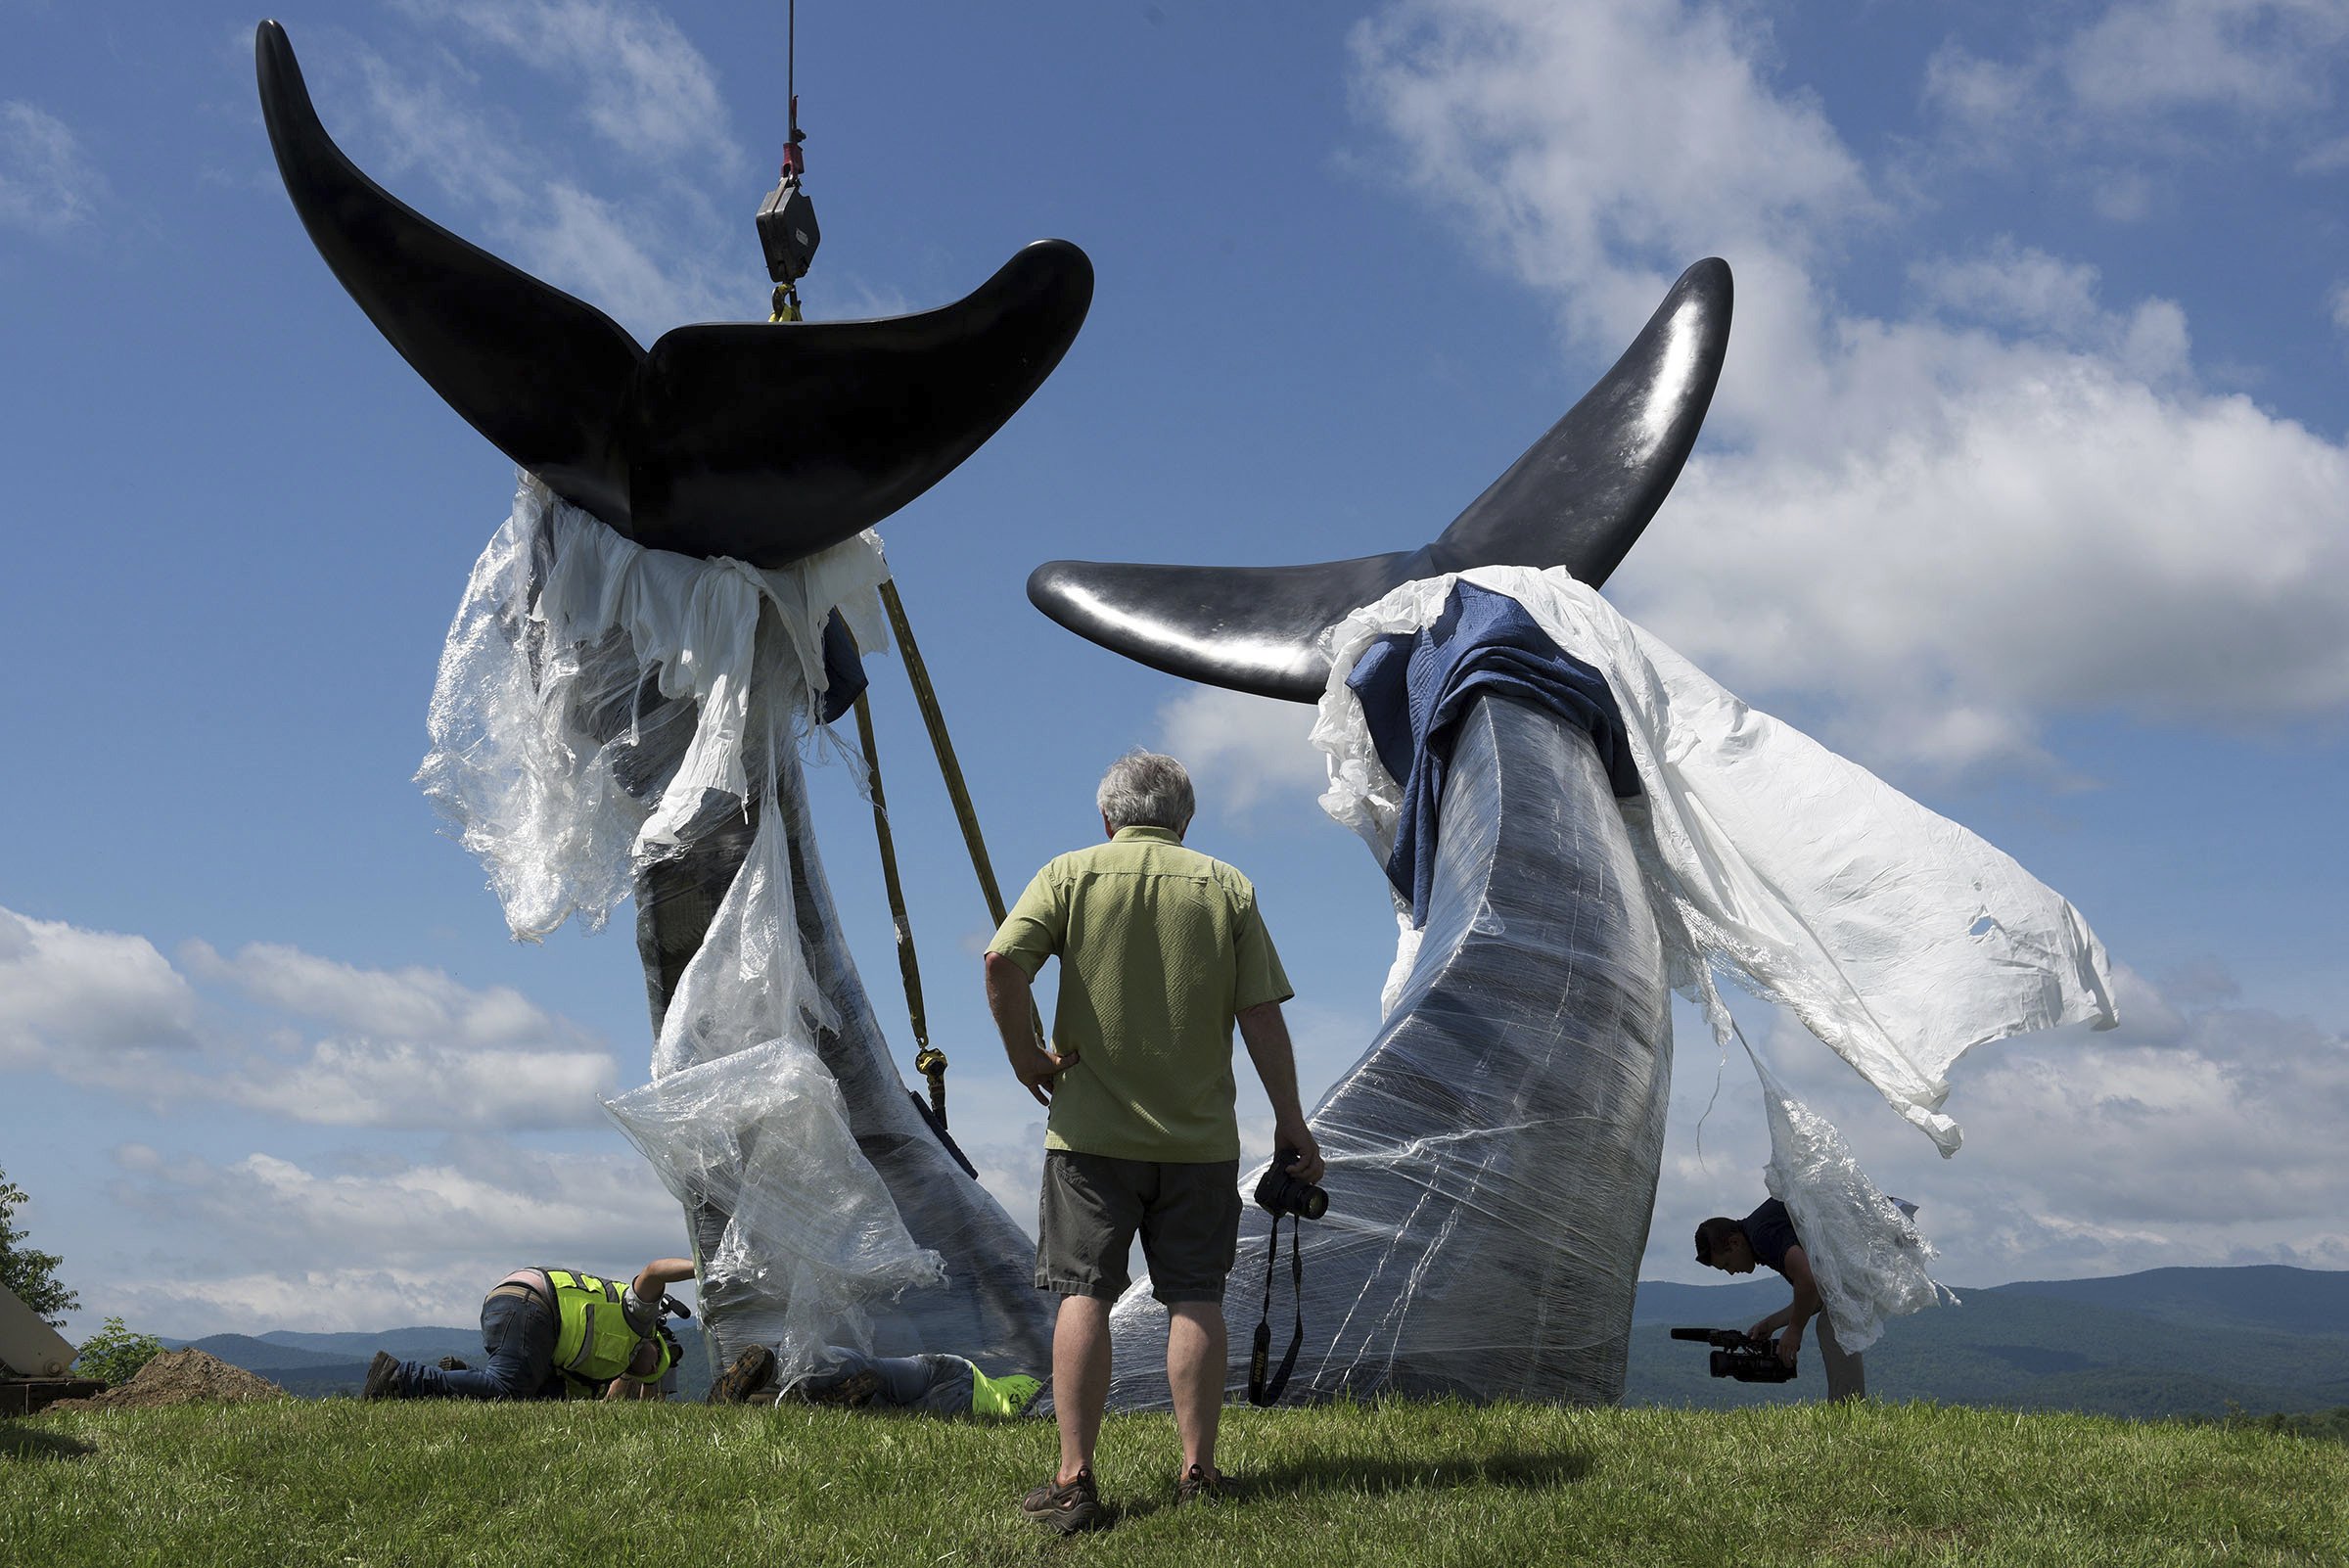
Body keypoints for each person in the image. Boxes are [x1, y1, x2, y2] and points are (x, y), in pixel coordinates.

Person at [985, 751, 1323, 1532]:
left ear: (1107, 819)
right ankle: (1198, 1472)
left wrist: (1027, 1058)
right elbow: (1260, 1014)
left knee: (1084, 1294)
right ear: (1186, 820)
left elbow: (1003, 962)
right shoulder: (1226, 885)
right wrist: (1290, 1118)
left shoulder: (1070, 873)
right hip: (1201, 1139)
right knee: (1195, 1297)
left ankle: (1075, 1481)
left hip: (1089, 1134)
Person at [363, 1258, 750, 1404]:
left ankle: (455, 1374)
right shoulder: (637, 1317)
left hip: (518, 1310)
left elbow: (615, 1408)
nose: (649, 1371)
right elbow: (653, 1272)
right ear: (653, 1342)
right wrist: (709, 1265)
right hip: (532, 1304)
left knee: (540, 1400)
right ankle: (402, 1378)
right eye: (655, 1363)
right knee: (508, 1388)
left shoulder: (610, 1369)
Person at [1693, 1200, 1865, 1401]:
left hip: (1877, 1236)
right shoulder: (1760, 1233)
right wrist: (1772, 1323)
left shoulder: (1760, 1235)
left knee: (1832, 1325)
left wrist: (1794, 1330)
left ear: (1734, 1242)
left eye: (1727, 1264)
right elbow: (1818, 1294)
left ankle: (1848, 1411)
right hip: (1874, 1232)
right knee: (1834, 1317)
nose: (1731, 1272)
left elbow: (1807, 1280)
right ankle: (1847, 1407)